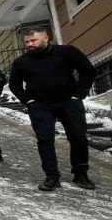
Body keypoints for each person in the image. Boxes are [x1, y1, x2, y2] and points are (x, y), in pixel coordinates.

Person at [8, 28, 97, 191]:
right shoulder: (21, 61)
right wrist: (28, 100)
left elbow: (88, 70)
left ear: (46, 38)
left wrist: (80, 93)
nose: (29, 44)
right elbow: (14, 84)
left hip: (69, 101)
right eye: (27, 42)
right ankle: (52, 176)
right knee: (45, 140)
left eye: (33, 40)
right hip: (40, 105)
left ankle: (81, 174)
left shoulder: (67, 52)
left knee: (78, 136)